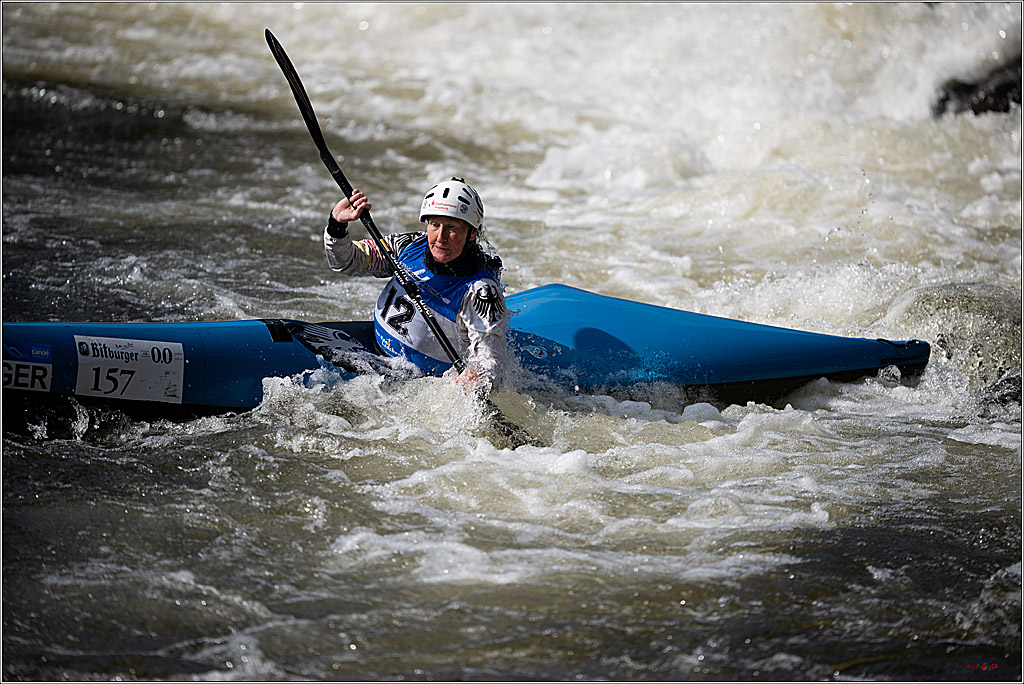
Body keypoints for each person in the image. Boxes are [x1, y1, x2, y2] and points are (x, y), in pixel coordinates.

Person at [323, 177, 509, 392]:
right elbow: (347, 262)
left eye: (451, 228)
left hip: (418, 387)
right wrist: (337, 225)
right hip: (373, 354)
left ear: (472, 233)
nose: (440, 238)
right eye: (435, 225)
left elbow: (491, 359)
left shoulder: (480, 291)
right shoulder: (408, 246)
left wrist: (478, 374)